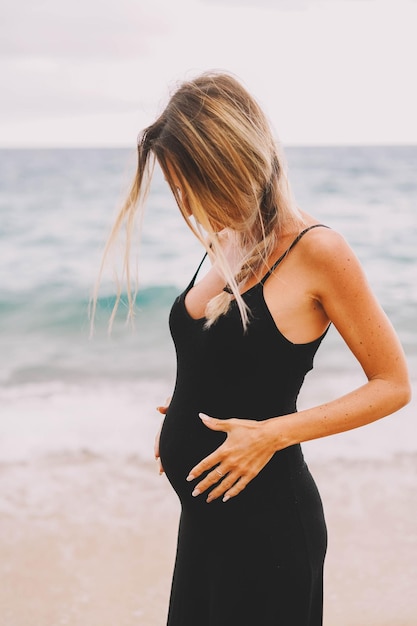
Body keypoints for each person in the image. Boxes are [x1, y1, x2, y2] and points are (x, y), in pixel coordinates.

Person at [99, 71, 411, 626]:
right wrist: (192, 406)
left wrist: (270, 434)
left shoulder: (317, 250)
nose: (187, 207)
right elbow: (229, 356)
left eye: (190, 185)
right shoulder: (227, 239)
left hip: (269, 530)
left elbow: (393, 385)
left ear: (229, 166)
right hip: (203, 525)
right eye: (176, 189)